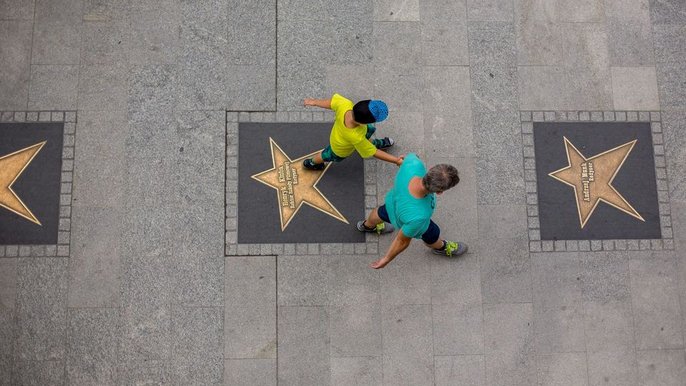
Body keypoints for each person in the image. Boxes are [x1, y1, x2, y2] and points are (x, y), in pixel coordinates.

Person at [357, 154, 468, 269]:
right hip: (409, 221)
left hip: (393, 203)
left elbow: (404, 158)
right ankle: (440, 247)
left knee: (380, 212)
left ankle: (367, 226)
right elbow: (402, 241)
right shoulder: (419, 216)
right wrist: (386, 259)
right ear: (440, 192)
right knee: (432, 234)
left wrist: (402, 163)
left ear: (430, 171)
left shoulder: (414, 163)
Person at [302, 94, 402, 169]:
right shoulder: (356, 137)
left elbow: (331, 102)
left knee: (366, 140)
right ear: (363, 123)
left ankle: (376, 143)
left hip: (344, 135)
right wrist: (396, 160)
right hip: (339, 148)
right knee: (326, 155)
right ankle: (311, 163)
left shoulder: (346, 105)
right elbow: (374, 152)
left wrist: (314, 102)